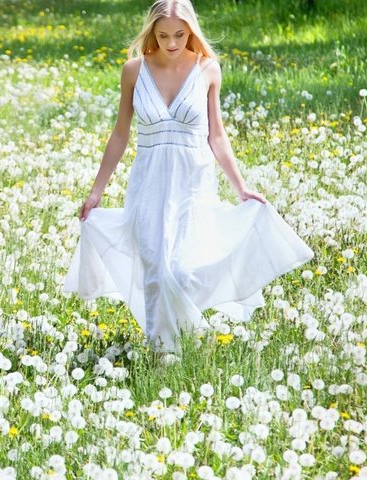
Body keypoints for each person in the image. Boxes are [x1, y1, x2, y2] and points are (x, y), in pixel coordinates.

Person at [61, 0, 314, 355]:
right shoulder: (133, 70)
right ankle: (163, 353)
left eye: (180, 35)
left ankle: (189, 338)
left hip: (192, 183)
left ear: (191, 31)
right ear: (152, 32)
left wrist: (241, 187)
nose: (172, 42)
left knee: (180, 271)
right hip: (148, 184)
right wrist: (96, 191)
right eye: (163, 35)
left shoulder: (207, 69)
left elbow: (217, 135)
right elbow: (120, 134)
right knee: (155, 273)